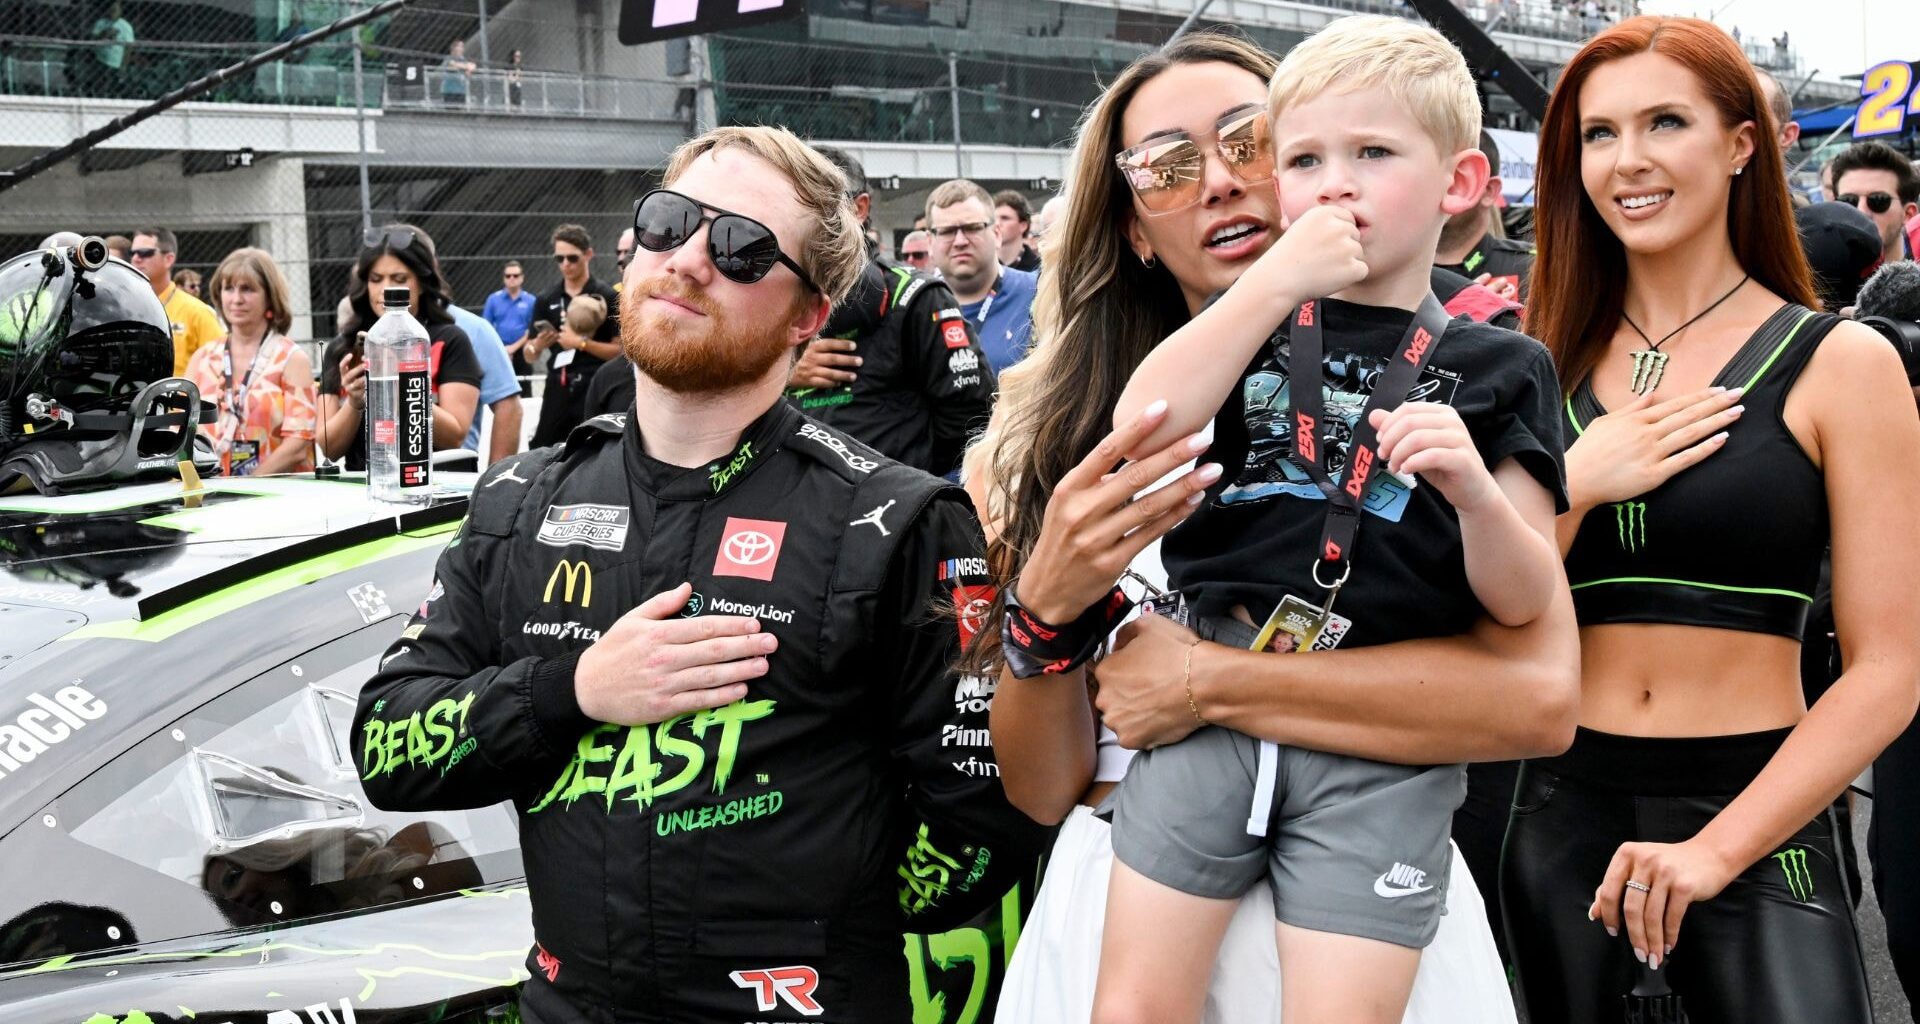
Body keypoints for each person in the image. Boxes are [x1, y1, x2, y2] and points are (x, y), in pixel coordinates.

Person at [353, 124, 1046, 1022]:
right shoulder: (518, 500)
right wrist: (574, 690)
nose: (687, 260)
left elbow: (978, 823)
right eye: (669, 222)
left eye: (742, 248)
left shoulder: (897, 519)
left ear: (808, 315)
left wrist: (820, 915)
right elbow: (386, 747)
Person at [974, 27, 1570, 1024]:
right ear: (1131, 225)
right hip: (1132, 877)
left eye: (1246, 141)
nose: (1218, 181)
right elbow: (1040, 789)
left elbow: (1538, 701)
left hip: (1365, 873)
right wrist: (1043, 611)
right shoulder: (1054, 435)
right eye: (1166, 167)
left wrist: (1208, 682)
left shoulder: (1480, 369)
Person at [1504, 17, 1920, 1022]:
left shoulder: (1842, 363)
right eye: (1598, 134)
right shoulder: (1530, 361)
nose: (1627, 160)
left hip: (1760, 810)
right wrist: (1576, 484)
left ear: (1741, 145)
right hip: (1556, 812)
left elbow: (1889, 667)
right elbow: (1491, 614)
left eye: (1664, 122)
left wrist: (1717, 849)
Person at [785, 145, 996, 477]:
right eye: (795, 205)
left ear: (859, 208)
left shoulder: (917, 297)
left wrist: (907, 484)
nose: (804, 219)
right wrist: (781, 370)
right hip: (796, 494)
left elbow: (971, 417)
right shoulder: (769, 293)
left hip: (893, 497)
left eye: (819, 205)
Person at [316, 227, 484, 469]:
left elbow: (454, 436)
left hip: (433, 482)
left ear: (422, 283)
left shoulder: (449, 340)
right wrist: (354, 402)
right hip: (367, 483)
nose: (386, 289)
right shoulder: (344, 348)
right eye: (376, 279)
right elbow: (329, 448)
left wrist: (400, 383)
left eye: (399, 279)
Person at [185, 248, 316, 476]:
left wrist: (248, 485)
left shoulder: (291, 359)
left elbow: (299, 443)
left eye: (247, 289)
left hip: (274, 491)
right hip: (210, 490)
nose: (236, 299)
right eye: (229, 288)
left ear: (270, 297)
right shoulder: (202, 358)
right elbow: (179, 429)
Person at [401, 226, 525, 465]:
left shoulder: (471, 329)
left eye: (400, 276)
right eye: (378, 277)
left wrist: (496, 481)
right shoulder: (370, 331)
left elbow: (509, 407)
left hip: (449, 472)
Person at [927, 180, 1038, 375]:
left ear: (997, 234)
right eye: (947, 231)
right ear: (930, 242)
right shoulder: (912, 308)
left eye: (972, 228)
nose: (960, 241)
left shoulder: (1037, 292)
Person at [528, 223, 621, 448]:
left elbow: (619, 351)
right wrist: (537, 346)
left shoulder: (606, 295)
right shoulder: (546, 298)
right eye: (559, 259)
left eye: (572, 258)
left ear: (588, 254)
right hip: (558, 383)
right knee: (545, 448)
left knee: (594, 448)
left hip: (595, 382)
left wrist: (581, 343)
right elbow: (529, 354)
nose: (566, 264)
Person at [1435, 130, 1535, 301]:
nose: (1438, 183)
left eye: (1455, 175)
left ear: (1489, 191)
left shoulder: (1533, 269)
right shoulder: (1391, 272)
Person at [129, 227, 223, 377]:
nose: (136, 258)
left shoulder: (197, 312)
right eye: (132, 253)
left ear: (169, 259)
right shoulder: (126, 308)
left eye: (145, 253)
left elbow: (220, 364)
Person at [1829, 140, 1920, 264]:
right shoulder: (1812, 272)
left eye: (1878, 200)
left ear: (1908, 214)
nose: (1861, 211)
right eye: (1848, 201)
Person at [483, 259, 538, 396]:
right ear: (504, 278)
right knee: (500, 390)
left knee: (525, 389)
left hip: (522, 351)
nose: (512, 279)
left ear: (522, 278)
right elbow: (487, 327)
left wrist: (513, 348)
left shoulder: (531, 300)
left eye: (515, 275)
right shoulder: (493, 299)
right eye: (508, 276)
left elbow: (531, 330)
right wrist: (503, 349)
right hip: (499, 350)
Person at [86, 2, 134, 96]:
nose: (112, 13)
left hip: (115, 63)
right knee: (97, 87)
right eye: (111, 10)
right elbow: (91, 40)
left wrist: (123, 66)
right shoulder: (101, 23)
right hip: (99, 61)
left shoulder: (126, 26)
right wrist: (104, 34)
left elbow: (128, 48)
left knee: (112, 89)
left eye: (115, 10)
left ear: (120, 11)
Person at [993, 189, 1043, 272]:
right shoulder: (982, 267)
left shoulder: (1038, 270)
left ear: (1023, 226)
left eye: (1005, 218)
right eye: (994, 219)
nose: (997, 223)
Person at [440, 38, 475, 106]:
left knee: (461, 108)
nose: (462, 49)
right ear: (454, 48)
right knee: (450, 108)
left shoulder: (463, 60)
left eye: (462, 47)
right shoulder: (449, 58)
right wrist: (466, 67)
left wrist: (468, 68)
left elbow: (472, 66)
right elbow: (452, 64)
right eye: (459, 46)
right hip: (449, 91)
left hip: (461, 91)